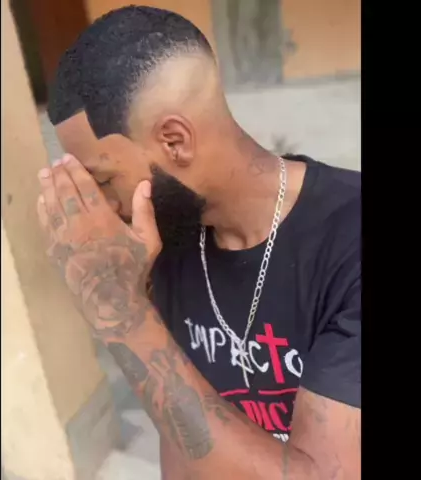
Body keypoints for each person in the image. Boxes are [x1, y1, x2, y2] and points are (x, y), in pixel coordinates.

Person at [39, 5, 361, 479]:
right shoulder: (167, 242)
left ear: (175, 141)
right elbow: (182, 444)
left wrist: (120, 312)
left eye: (103, 180)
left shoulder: (349, 242)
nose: (102, 208)